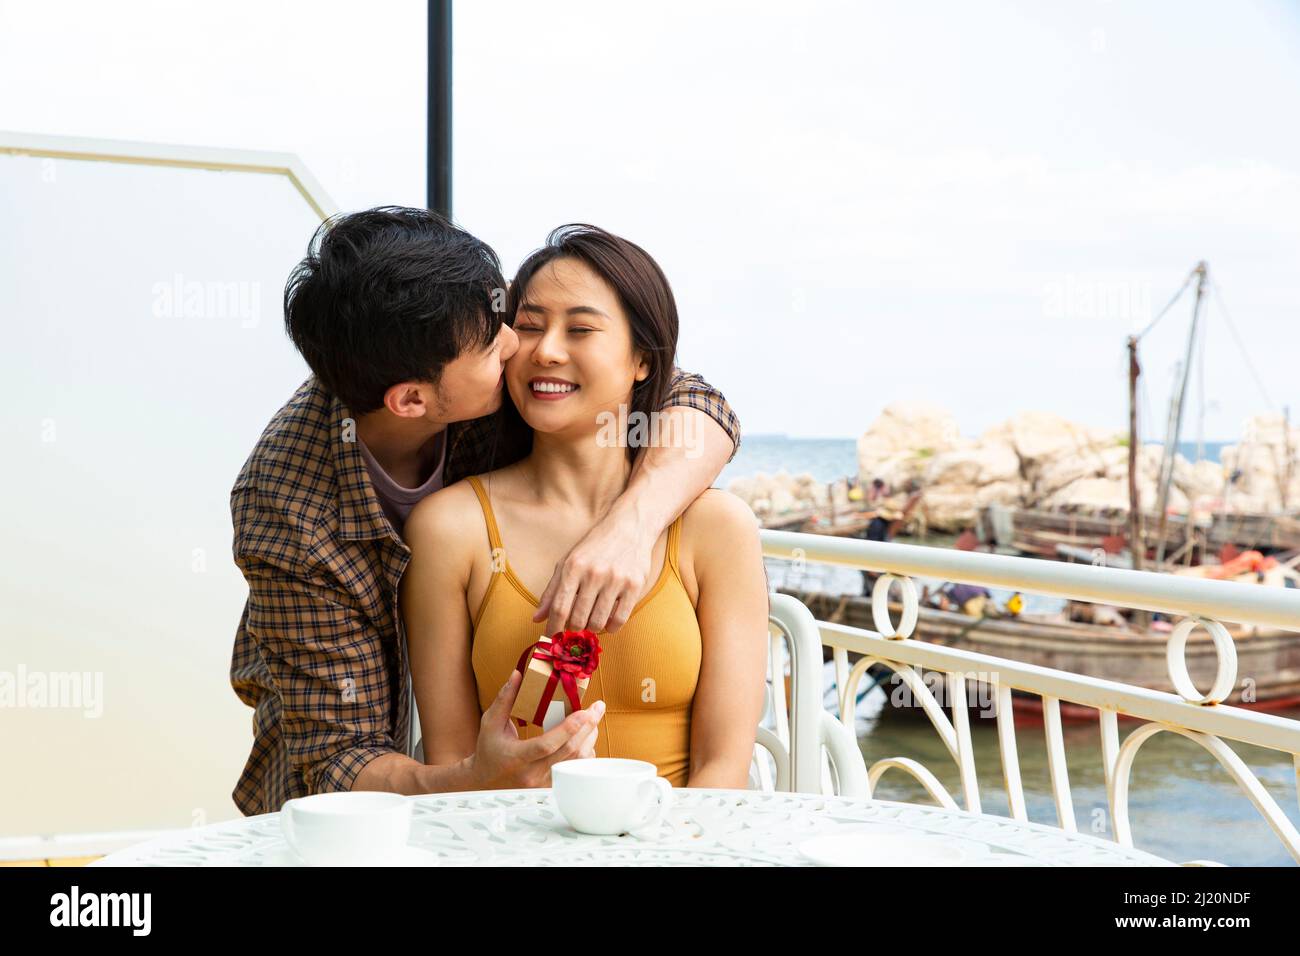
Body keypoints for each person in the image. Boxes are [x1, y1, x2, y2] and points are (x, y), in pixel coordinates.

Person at [228, 209, 742, 814]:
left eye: (508, 318)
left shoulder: (490, 375)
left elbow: (695, 400)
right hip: (347, 804)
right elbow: (339, 755)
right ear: (412, 400)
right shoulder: (289, 508)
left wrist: (631, 527)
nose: (519, 345)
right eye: (511, 330)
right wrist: (477, 778)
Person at [402, 225, 769, 788]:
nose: (546, 351)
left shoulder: (715, 528)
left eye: (580, 329)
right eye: (527, 327)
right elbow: (450, 764)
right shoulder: (450, 529)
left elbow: (723, 770)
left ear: (643, 360)